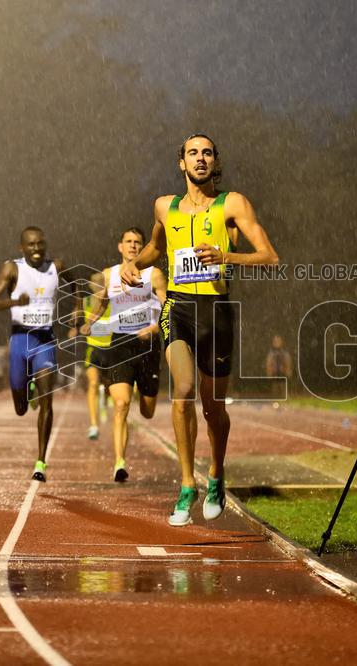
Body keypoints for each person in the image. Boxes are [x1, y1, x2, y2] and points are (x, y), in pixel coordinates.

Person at [121, 133, 279, 526]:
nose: (200, 158)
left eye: (207, 152)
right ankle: (186, 484)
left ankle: (216, 475)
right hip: (178, 307)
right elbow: (156, 248)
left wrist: (226, 255)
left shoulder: (232, 204)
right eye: (193, 153)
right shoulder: (164, 207)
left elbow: (270, 257)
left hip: (217, 311)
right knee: (183, 392)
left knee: (213, 409)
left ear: (214, 161)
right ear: (182, 163)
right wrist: (134, 265)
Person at [81, 227, 166, 482]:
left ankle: (141, 388)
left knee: (147, 411)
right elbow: (103, 302)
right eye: (128, 242)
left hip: (148, 344)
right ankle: (119, 462)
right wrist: (90, 322)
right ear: (120, 246)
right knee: (121, 404)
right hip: (120, 342)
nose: (132, 246)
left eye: (137, 242)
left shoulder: (154, 274)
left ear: (144, 247)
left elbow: (167, 304)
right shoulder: (109, 275)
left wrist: (154, 327)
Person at [0, 226, 64, 482]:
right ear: (22, 248)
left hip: (45, 340)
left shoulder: (57, 267)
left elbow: (80, 287)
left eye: (40, 244)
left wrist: (79, 314)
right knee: (20, 409)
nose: (37, 249)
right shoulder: (12, 269)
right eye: (31, 245)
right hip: (20, 339)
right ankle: (26, 391)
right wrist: (14, 303)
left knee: (48, 401)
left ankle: (41, 461)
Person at [78, 272, 110, 440]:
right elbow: (78, 317)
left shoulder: (112, 299)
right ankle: (93, 424)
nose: (98, 285)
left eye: (101, 282)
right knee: (93, 383)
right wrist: (76, 324)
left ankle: (106, 400)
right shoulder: (86, 301)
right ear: (90, 285)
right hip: (94, 348)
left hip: (112, 348)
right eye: (95, 283)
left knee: (109, 385)